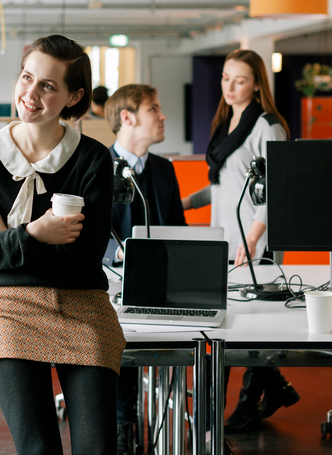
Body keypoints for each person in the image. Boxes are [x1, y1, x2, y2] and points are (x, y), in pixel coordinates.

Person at [0, 35, 124, 455]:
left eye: (48, 86)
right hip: (5, 308)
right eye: (27, 77)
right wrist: (35, 233)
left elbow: (86, 259)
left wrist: (6, 236)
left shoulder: (92, 159)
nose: (30, 94)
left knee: (98, 448)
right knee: (39, 447)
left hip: (83, 305)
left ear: (74, 95)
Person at [181, 49, 298, 434]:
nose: (230, 87)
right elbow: (223, 187)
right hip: (227, 239)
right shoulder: (226, 123)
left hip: (253, 244)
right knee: (235, 326)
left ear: (257, 84)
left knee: (241, 329)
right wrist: (183, 203)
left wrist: (252, 239)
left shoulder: (267, 126)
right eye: (225, 78)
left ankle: (247, 403)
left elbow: (280, 188)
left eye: (240, 80)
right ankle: (275, 387)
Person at [104, 84, 186, 454]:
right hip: (109, 287)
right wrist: (117, 254)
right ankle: (123, 426)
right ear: (127, 117)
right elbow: (83, 231)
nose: (162, 115)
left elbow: (179, 231)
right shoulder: (97, 165)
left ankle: (191, 427)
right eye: (154, 108)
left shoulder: (165, 169)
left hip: (163, 285)